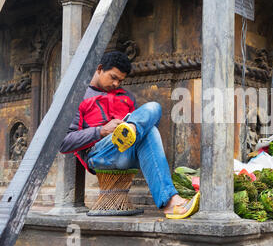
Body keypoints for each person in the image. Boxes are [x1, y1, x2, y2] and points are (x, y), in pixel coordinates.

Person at [59, 51, 199, 219]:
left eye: (121, 80)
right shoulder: (78, 96)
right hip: (99, 154)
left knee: (154, 108)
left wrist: (128, 127)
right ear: (100, 69)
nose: (116, 83)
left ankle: (129, 130)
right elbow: (64, 143)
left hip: (127, 153)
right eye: (113, 77)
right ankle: (170, 199)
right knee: (149, 126)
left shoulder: (126, 97)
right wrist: (101, 131)